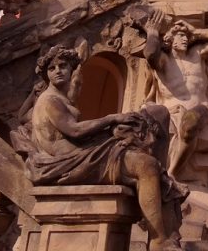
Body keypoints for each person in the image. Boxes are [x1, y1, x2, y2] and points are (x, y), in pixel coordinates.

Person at [25, 45, 185, 251]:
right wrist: (112, 118)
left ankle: (163, 229)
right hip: (69, 162)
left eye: (63, 66)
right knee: (146, 165)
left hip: (80, 156)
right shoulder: (50, 100)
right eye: (52, 68)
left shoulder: (59, 98)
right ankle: (159, 239)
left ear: (72, 70)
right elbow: (74, 130)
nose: (57, 71)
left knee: (142, 136)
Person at [135, 9, 208, 180]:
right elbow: (150, 54)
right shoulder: (165, 61)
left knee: (190, 122)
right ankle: (167, 174)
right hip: (171, 111)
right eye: (180, 35)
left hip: (200, 109)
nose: (185, 38)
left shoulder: (198, 55)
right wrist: (152, 32)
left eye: (186, 36)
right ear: (170, 39)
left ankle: (171, 173)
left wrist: (195, 31)